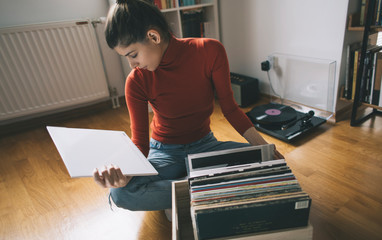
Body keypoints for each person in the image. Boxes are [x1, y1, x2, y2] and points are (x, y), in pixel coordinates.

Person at [93, 0, 283, 212]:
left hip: (205, 145)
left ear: (153, 37)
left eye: (133, 54)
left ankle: (182, 192)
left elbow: (230, 109)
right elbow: (140, 143)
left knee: (267, 163)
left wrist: (264, 148)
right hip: (164, 153)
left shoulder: (210, 51)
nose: (132, 65)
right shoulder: (136, 80)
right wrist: (125, 175)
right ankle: (210, 188)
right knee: (121, 193)